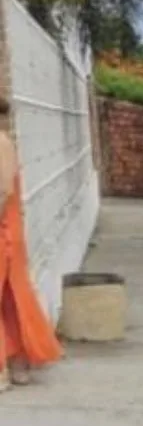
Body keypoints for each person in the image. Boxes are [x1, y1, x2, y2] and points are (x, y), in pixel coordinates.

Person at [0, 96, 62, 391]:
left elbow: (2, 192)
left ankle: (7, 366)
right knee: (10, 301)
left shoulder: (1, 143)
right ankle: (16, 361)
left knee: (12, 298)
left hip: (4, 234)